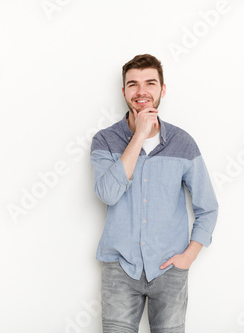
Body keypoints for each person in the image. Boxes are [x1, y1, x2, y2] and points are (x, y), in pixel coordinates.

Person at [89, 54, 219, 333]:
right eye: (133, 84)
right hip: (120, 269)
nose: (141, 91)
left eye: (150, 83)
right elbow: (108, 194)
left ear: (162, 89)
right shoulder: (104, 140)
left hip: (169, 269)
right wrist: (139, 136)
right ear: (124, 92)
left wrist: (188, 257)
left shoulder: (183, 142)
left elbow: (207, 207)